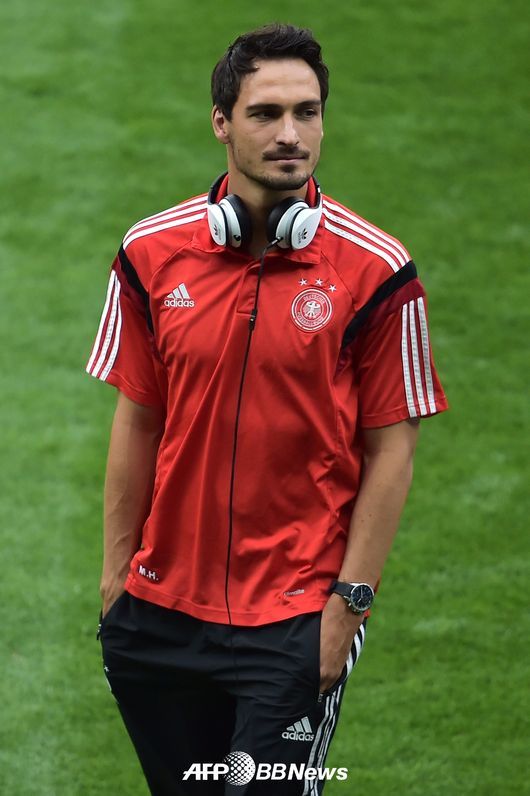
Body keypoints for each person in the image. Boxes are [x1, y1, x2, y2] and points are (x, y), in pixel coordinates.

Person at [86, 23, 448, 796]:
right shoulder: (150, 254)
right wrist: (118, 583)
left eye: (307, 112)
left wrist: (347, 609)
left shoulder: (377, 271)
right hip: (159, 614)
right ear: (222, 122)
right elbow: (138, 419)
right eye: (266, 113)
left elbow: (392, 447)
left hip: (293, 619)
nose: (291, 134)